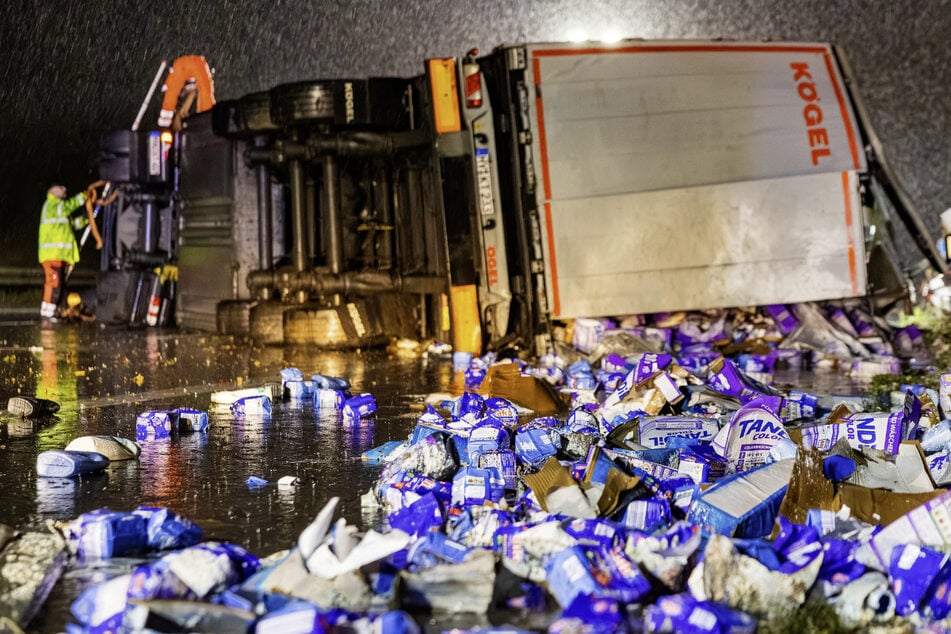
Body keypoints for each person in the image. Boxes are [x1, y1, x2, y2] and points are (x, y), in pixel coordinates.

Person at [37, 180, 105, 321]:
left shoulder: (59, 211)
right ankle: (47, 313)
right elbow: (69, 206)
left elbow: (72, 224)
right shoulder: (52, 206)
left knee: (59, 285)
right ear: (53, 192)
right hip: (52, 255)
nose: (64, 189)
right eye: (61, 188)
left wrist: (86, 219)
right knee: (54, 284)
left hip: (58, 256)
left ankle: (52, 310)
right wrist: (83, 196)